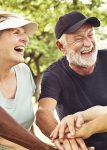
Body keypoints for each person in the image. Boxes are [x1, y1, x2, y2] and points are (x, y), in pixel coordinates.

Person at [36, 11, 107, 150]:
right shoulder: (54, 75)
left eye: (90, 34)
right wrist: (64, 140)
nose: (88, 43)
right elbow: (43, 113)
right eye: (78, 38)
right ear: (61, 46)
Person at [0, 11, 54, 150]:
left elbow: (26, 132)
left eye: (24, 33)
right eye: (16, 32)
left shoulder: (24, 72)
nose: (25, 39)